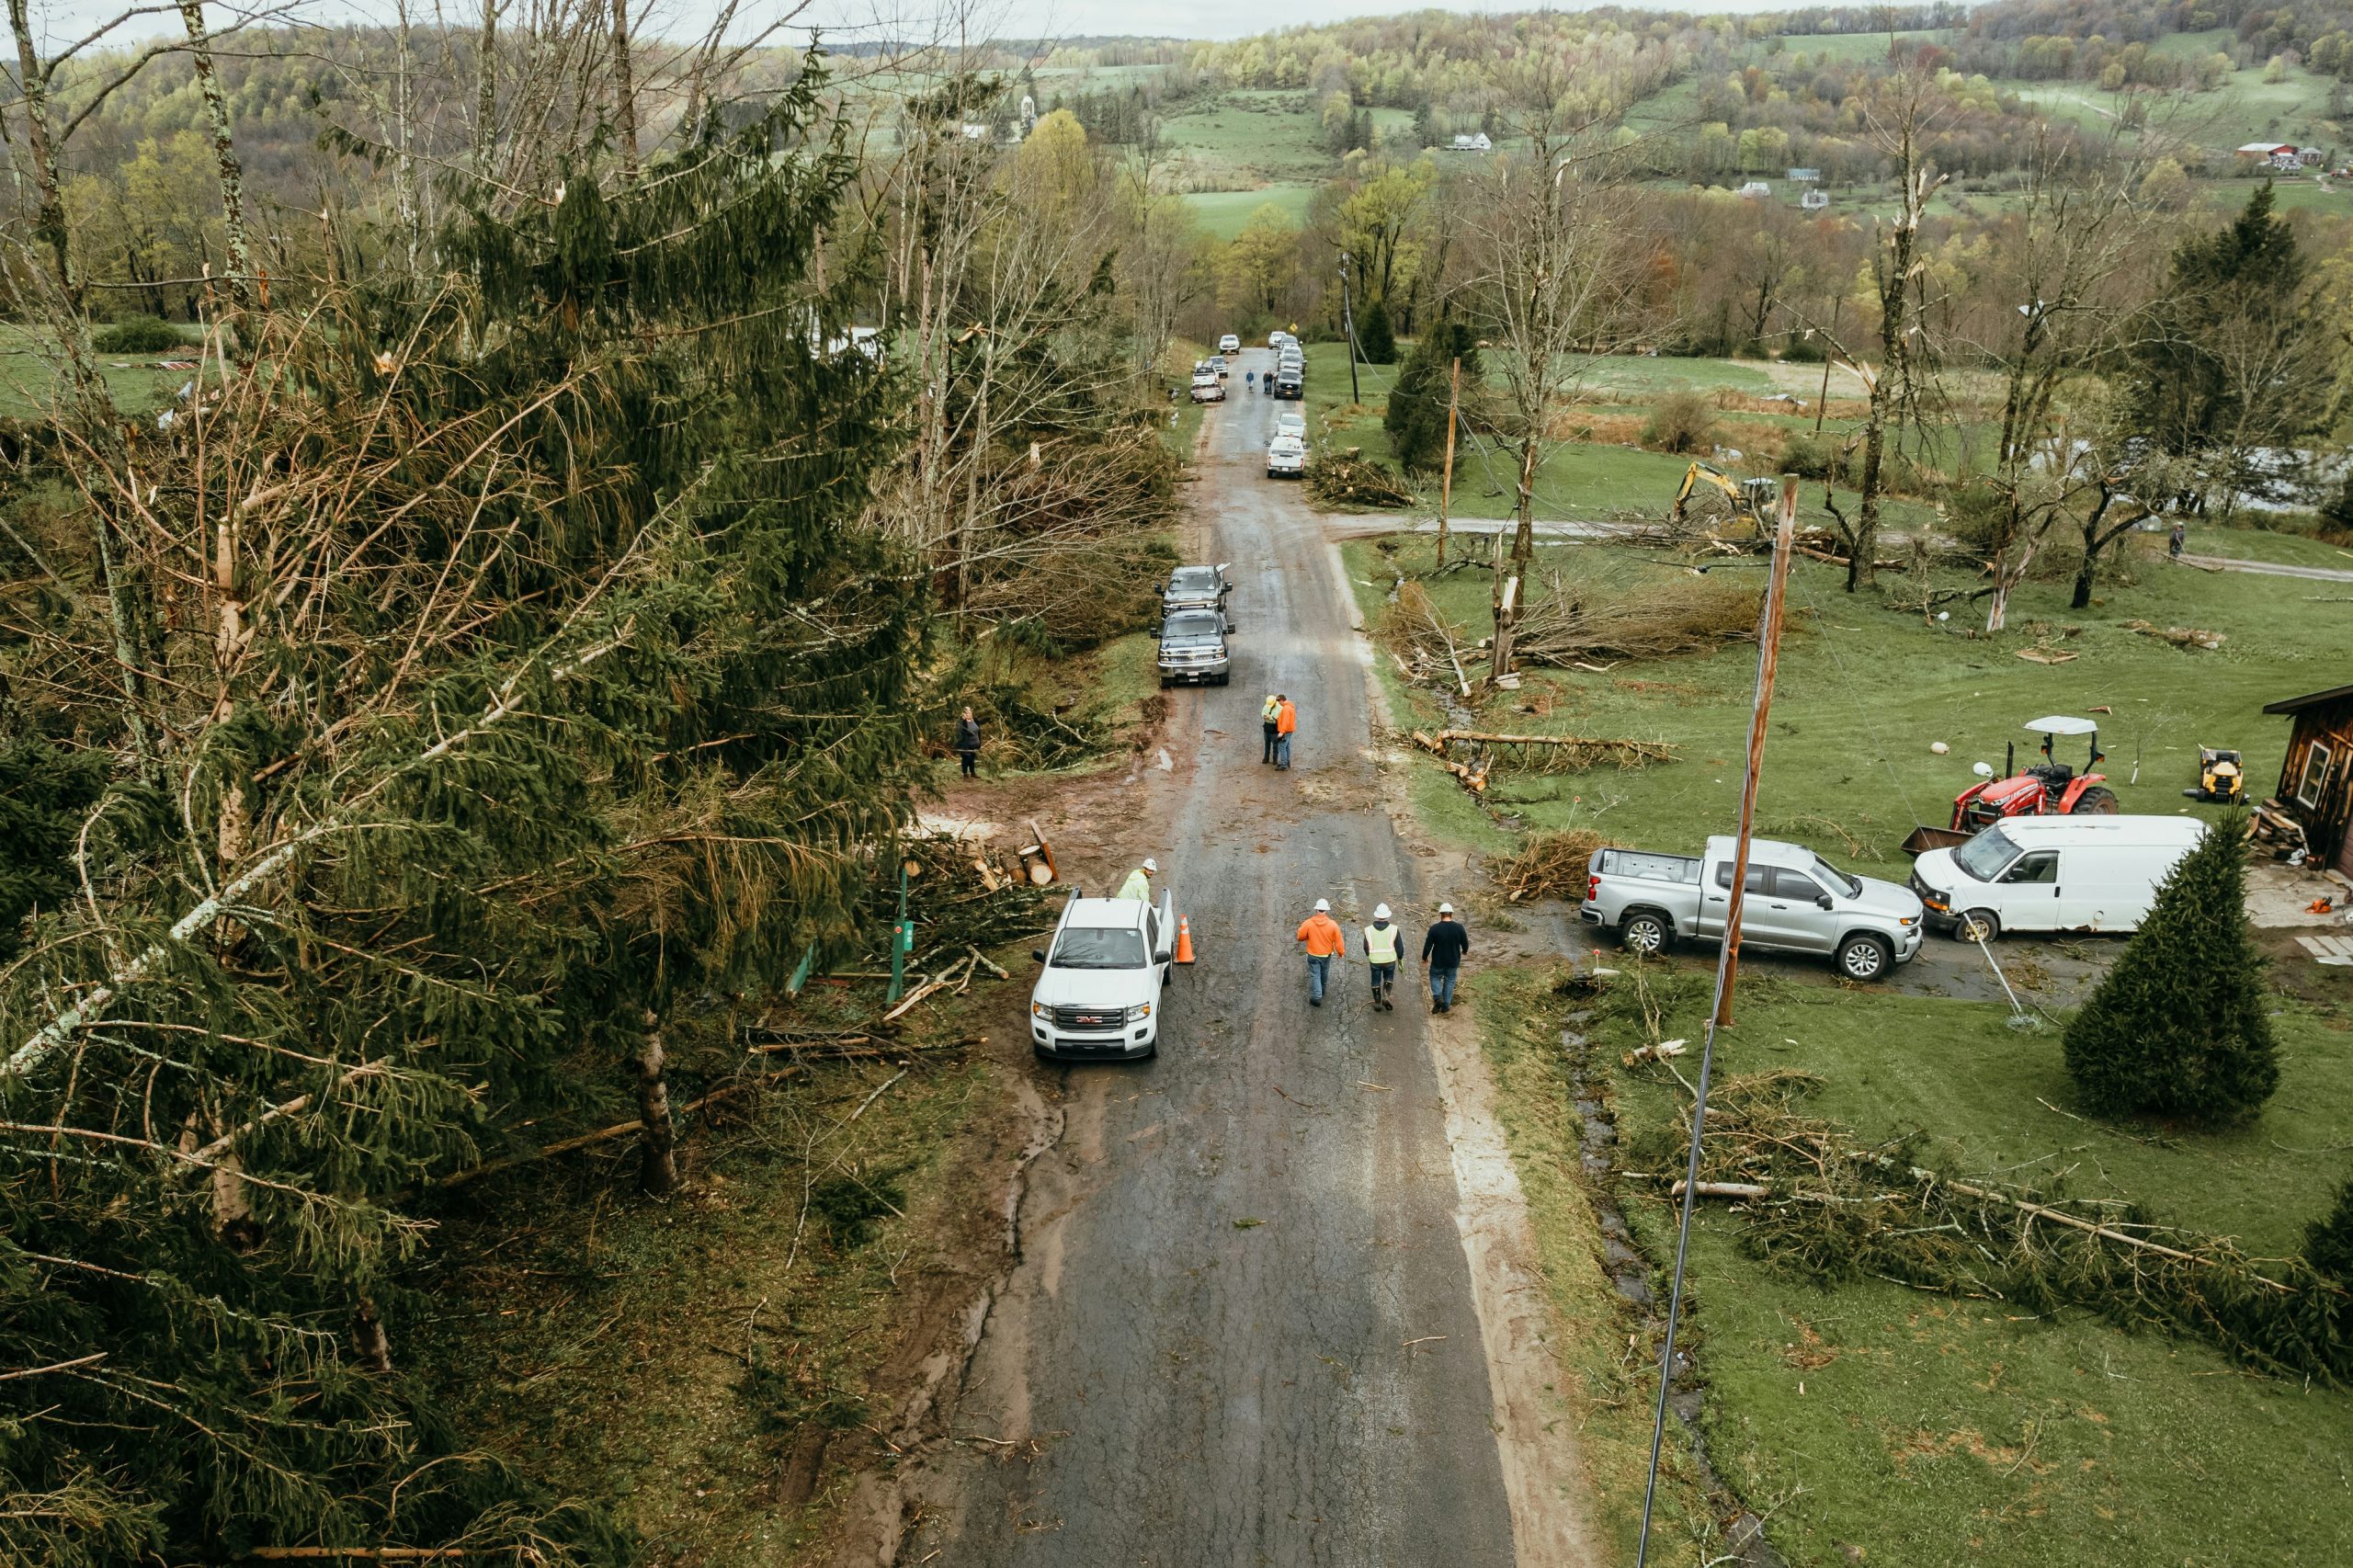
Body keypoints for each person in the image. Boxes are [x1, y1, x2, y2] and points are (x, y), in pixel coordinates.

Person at [1296, 897, 1345, 1006]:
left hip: (1313, 955)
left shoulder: (1308, 923)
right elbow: (1339, 941)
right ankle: (1322, 990)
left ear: (1316, 909)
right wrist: (1341, 953)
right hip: (1326, 955)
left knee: (1315, 975)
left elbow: (1300, 937)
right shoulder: (1333, 925)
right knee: (1324, 973)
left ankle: (1317, 996)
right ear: (1326, 910)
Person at [1422, 902, 1470, 1014]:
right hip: (1453, 961)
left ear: (1441, 914)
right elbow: (1465, 943)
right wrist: (1465, 951)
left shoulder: (1434, 928)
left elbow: (1428, 945)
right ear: (1451, 914)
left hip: (1438, 961)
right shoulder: (1459, 928)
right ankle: (1446, 1005)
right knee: (1450, 981)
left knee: (1435, 977)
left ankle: (1438, 997)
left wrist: (1424, 957)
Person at [1363, 903, 1404, 1011]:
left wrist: (1370, 955)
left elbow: (1366, 947)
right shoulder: (1394, 929)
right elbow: (1399, 946)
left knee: (1375, 980)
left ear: (1376, 916)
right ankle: (1386, 996)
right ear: (1387, 915)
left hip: (1375, 961)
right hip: (1389, 960)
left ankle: (1377, 1003)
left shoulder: (1368, 930)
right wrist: (1400, 958)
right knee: (1388, 978)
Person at [955, 706, 982, 779]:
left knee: (972, 759)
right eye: (966, 713)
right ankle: (965, 774)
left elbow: (978, 731)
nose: (968, 714)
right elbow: (961, 732)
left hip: (975, 744)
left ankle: (973, 773)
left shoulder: (975, 720)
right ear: (963, 714)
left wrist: (979, 743)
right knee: (966, 759)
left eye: (969, 713)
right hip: (966, 745)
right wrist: (963, 720)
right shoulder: (962, 723)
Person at [1274, 694, 1297, 770]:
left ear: (1281, 700)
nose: (1279, 704)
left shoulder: (1286, 708)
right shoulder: (1290, 706)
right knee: (1287, 746)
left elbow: (1285, 721)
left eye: (1278, 702)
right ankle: (1287, 762)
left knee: (1282, 747)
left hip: (1286, 731)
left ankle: (1284, 765)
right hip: (1290, 730)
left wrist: (1282, 731)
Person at [1260, 693, 1282, 764]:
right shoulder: (1267, 704)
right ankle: (1266, 758)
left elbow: (1276, 716)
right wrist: (1264, 715)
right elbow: (1263, 712)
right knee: (1267, 744)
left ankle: (1275, 760)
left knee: (1275, 746)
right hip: (1266, 728)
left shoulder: (1280, 708)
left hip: (1274, 730)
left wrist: (1269, 717)